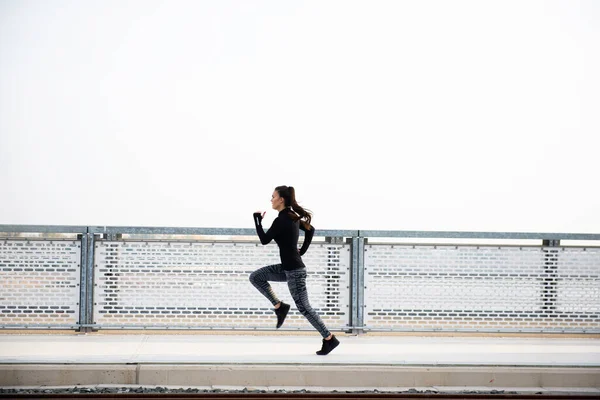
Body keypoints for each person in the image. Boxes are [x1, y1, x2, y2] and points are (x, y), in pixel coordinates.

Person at [249, 185, 340, 356]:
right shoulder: (292, 217)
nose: (271, 199)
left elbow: (264, 240)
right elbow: (310, 230)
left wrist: (257, 220)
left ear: (281, 199)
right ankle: (279, 306)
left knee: (305, 308)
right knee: (256, 277)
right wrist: (302, 250)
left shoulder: (283, 219)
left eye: (273, 196)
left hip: (295, 272)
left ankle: (329, 338)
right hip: (287, 269)